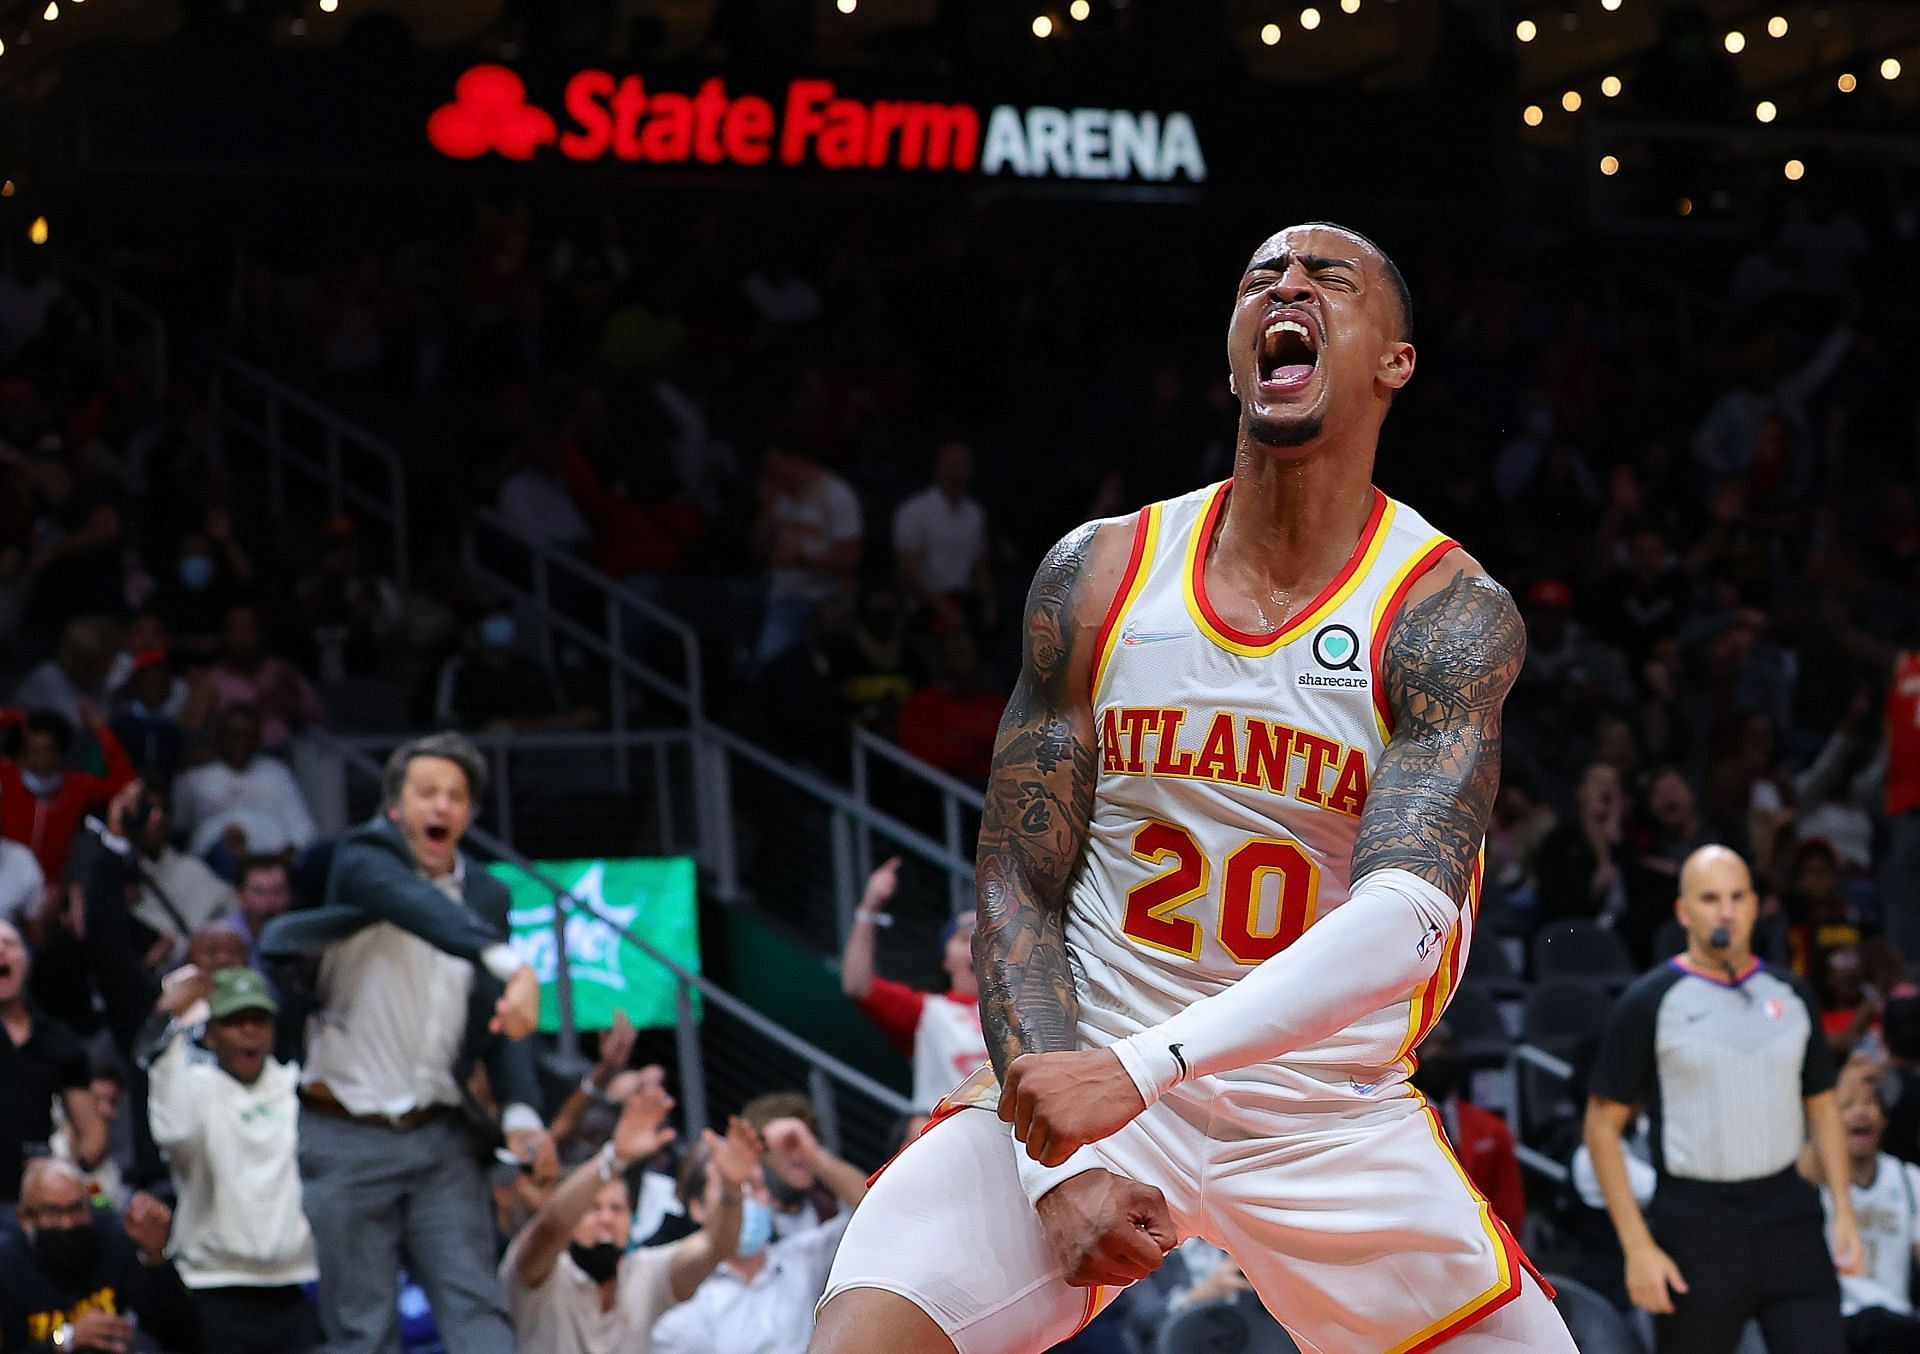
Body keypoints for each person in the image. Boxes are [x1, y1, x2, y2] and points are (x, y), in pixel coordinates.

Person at [812, 223, 1573, 1352]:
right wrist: (1048, 1158)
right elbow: (1019, 876)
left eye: (1330, 276)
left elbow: (1412, 917)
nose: (1290, 284)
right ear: (1235, 355)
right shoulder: (1100, 571)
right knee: (865, 1330)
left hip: (1324, 1115)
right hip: (1102, 1063)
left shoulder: (1443, 611)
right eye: (1263, 275)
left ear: (1392, 361)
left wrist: (1144, 1067)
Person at [259, 731, 546, 1354]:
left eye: (455, 796)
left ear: (470, 812)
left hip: (440, 1137)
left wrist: (522, 1113)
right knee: (363, 1331)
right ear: (395, 807)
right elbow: (415, 905)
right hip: (344, 1133)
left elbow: (503, 1024)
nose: (441, 807)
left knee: (481, 1319)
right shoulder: (361, 863)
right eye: (426, 793)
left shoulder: (488, 896)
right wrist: (510, 962)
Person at [1584, 844, 1859, 1353]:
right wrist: (1637, 1246)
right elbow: (1601, 1128)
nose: (1726, 911)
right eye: (1711, 898)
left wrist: (1842, 1207)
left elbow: (1822, 1105)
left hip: (1789, 1212)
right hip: (1695, 1223)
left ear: (1755, 905)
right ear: (1684, 912)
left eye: (1737, 896)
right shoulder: (1649, 1002)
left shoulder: (1793, 994)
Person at [500, 1079, 762, 1354]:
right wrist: (615, 1158)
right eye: (593, 1208)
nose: (606, 1219)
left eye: (617, 1209)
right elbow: (552, 1225)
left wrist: (733, 1189)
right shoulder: (539, 1274)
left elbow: (715, 1248)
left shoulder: (643, 1274)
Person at [145, 965, 320, 1352]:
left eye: (258, 1020)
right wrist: (170, 1019)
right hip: (213, 1284)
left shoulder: (299, 1088)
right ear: (210, 1033)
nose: (248, 1032)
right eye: (234, 1022)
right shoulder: (190, 1087)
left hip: (296, 1283)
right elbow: (175, 1134)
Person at [653, 1114, 870, 1354]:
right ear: (697, 1207)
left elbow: (870, 1213)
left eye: (755, 1186)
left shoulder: (804, 1259)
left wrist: (813, 1156)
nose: (745, 1201)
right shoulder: (687, 1292)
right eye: (732, 1188)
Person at [838, 857, 987, 1125]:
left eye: (986, 938)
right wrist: (869, 907)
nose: (976, 947)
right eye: (965, 939)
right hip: (945, 1132)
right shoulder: (927, 1010)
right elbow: (857, 984)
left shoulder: (1023, 1011)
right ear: (946, 961)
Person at [0, 1158, 198, 1353]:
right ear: (25, 1218)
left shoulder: (113, 1239)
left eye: (76, 1208)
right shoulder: (8, 1268)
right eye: (53, 1212)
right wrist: (65, 1340)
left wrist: (155, 1257)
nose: (68, 1223)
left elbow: (179, 1331)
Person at [1805, 1057, 1920, 1352]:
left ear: (1884, 1118)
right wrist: (1837, 1091)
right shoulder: (1815, 1177)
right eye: (1849, 1105)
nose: (1861, 1112)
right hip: (1835, 1321)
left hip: (1896, 1322)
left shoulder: (1909, 1180)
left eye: (1869, 1102)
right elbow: (1806, 1161)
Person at [0, 918, 106, 1204]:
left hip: (34, 1201)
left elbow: (92, 1131)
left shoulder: (58, 1040)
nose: (0, 952)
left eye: (9, 944)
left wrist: (65, 1173)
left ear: (27, 959)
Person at [1412, 1020, 1526, 1235]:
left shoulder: (1492, 1129)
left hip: (1482, 1246)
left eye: (1445, 1045)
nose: (1437, 1053)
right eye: (1428, 1046)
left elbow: (1510, 1207)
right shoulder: (1398, 1124)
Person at [0, 706, 135, 884]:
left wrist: (101, 730)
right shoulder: (7, 776)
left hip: (51, 894)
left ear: (60, 753)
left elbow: (124, 784)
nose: (41, 759)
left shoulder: (75, 787)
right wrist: (16, 718)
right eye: (34, 751)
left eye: (48, 750)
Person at [169, 703, 318, 861]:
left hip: (272, 862)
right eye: (232, 734)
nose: (239, 742)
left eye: (246, 735)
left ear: (257, 739)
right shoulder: (197, 774)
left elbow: (303, 828)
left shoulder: (276, 772)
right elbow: (178, 826)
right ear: (219, 736)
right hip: (213, 866)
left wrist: (289, 853)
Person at [892, 441, 995, 637]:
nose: (957, 470)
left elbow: (979, 565)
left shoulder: (975, 514)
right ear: (937, 466)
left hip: (965, 604)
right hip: (926, 607)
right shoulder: (914, 511)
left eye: (962, 463)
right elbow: (907, 570)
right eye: (951, 463)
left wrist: (989, 603)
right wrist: (943, 608)